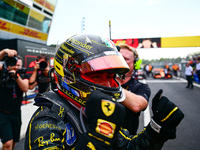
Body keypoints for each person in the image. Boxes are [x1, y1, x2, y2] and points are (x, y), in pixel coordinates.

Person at [24, 34, 184, 150]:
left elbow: (129, 146)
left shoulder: (92, 110)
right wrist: (96, 141)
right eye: (97, 76)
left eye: (110, 76)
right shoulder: (48, 118)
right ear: (70, 74)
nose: (108, 83)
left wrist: (157, 130)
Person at [116, 43, 151, 135]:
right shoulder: (101, 81)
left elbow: (137, 105)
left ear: (134, 63)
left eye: (126, 58)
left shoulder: (141, 87)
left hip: (127, 142)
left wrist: (110, 86)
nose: (120, 60)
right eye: (118, 56)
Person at [0, 49, 29, 150]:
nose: (16, 67)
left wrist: (16, 76)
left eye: (18, 65)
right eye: (13, 64)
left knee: (14, 142)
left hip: (16, 113)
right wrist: (4, 52)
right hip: (2, 113)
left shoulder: (22, 75)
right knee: (7, 143)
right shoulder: (2, 73)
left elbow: (25, 88)